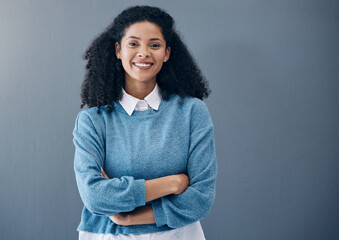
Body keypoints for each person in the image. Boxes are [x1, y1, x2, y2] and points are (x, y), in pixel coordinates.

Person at [72, 5, 217, 240]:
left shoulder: (192, 112)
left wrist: (128, 217)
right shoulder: (92, 121)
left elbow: (200, 199)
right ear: (118, 50)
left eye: (154, 45)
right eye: (133, 43)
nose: (144, 53)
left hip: (179, 235)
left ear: (167, 53)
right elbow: (95, 197)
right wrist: (172, 183)